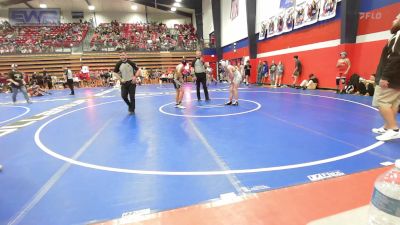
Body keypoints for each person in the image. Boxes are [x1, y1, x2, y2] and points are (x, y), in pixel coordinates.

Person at [371, 13, 400, 141]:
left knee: (381, 101)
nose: (394, 20)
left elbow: (394, 57)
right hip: (397, 78)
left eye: (397, 18)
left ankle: (393, 128)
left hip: (392, 77)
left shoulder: (398, 35)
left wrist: (385, 76)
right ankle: (387, 127)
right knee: (393, 103)